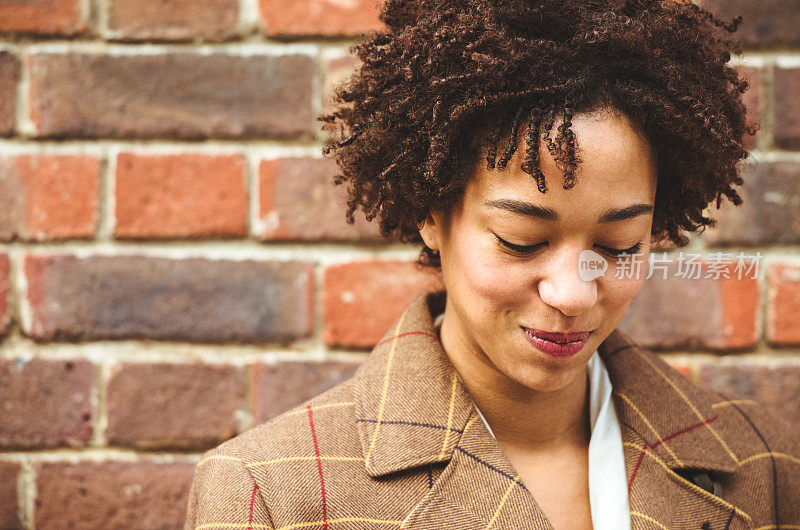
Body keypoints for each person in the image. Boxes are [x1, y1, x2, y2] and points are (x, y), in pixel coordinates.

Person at [184, 0, 800, 528]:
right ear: (433, 211)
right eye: (521, 240)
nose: (574, 294)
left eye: (618, 247)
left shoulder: (767, 464)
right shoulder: (270, 494)